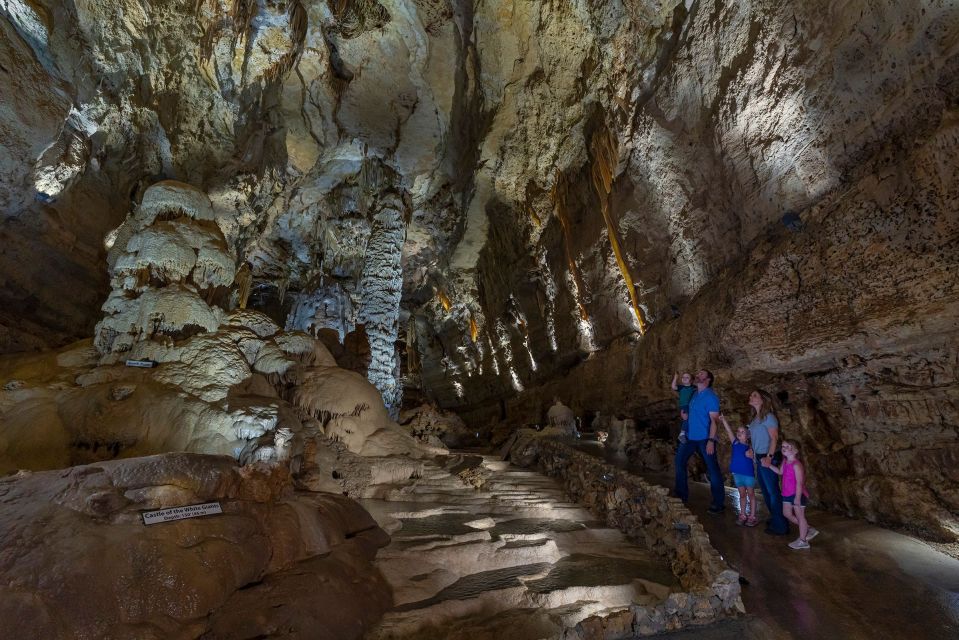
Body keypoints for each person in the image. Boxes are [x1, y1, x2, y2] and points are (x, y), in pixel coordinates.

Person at [674, 369, 725, 513]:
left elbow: (714, 421)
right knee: (679, 462)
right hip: (690, 436)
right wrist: (685, 416)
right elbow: (690, 412)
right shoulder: (695, 394)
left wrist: (710, 440)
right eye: (698, 374)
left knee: (713, 469)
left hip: (704, 438)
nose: (697, 375)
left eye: (701, 374)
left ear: (708, 379)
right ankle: (681, 494)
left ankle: (718, 503)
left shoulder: (711, 397)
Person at [747, 390, 789, 536]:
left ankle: (781, 526)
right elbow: (755, 438)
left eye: (754, 395)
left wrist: (769, 457)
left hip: (767, 456)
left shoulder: (768, 417)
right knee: (765, 491)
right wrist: (752, 450)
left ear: (763, 400)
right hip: (759, 457)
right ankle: (777, 519)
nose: (751, 397)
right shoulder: (755, 418)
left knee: (772, 492)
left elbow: (774, 438)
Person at [763, 439, 819, 549]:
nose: (784, 448)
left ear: (796, 451)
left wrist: (797, 498)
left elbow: (799, 483)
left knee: (800, 516)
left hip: (797, 494)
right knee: (786, 514)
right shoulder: (785, 461)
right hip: (787, 493)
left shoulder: (797, 465)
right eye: (783, 446)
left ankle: (803, 541)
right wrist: (768, 465)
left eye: (788, 447)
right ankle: (808, 528)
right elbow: (780, 472)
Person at [720, 414, 757, 526]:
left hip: (748, 475)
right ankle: (742, 514)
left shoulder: (751, 447)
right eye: (738, 431)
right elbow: (729, 432)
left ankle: (752, 516)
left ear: (748, 436)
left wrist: (751, 456)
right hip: (737, 474)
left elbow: (755, 459)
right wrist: (724, 420)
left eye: (742, 432)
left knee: (751, 494)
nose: (739, 433)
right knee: (741, 494)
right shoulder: (735, 443)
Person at [671, 372, 696, 443]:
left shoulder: (694, 388)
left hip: (690, 406)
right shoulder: (681, 387)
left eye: (687, 377)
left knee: (689, 418)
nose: (684, 379)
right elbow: (673, 386)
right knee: (686, 418)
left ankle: (685, 432)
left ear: (691, 380)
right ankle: (682, 433)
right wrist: (676, 377)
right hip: (684, 405)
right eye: (683, 377)